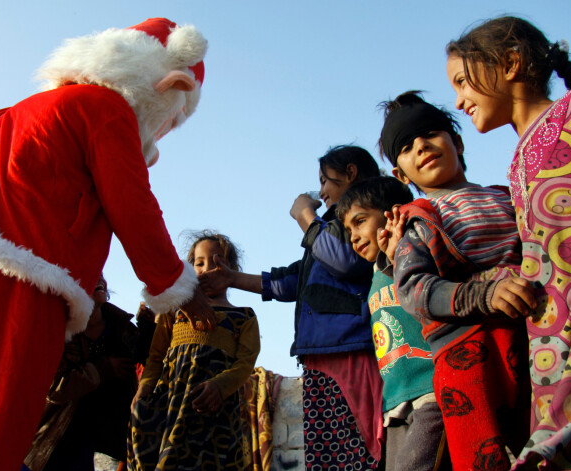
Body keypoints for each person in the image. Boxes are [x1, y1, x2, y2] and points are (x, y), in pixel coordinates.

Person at [0, 18, 216, 471]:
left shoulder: (48, 102)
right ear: (170, 87)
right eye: (171, 120)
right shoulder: (104, 108)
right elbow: (133, 203)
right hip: (21, 272)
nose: (162, 134)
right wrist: (180, 287)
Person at [446, 16, 571, 470]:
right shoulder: (516, 162)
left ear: (511, 63)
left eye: (462, 81)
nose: (459, 100)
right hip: (553, 347)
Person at [199, 145, 384, 469]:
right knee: (328, 456)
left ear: (350, 174)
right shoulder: (327, 231)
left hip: (351, 351)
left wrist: (304, 215)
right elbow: (291, 281)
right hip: (318, 356)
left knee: (364, 450)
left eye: (325, 180)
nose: (321, 190)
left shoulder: (359, 225)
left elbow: (343, 261)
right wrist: (231, 278)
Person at [380, 91, 536, 470]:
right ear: (401, 175)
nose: (421, 145)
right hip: (469, 360)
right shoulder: (418, 220)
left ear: (458, 142)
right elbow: (414, 290)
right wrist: (484, 295)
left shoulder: (510, 196)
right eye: (406, 146)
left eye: (430, 132)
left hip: (534, 340)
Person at [337, 176, 452, 471]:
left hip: (431, 392)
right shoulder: (375, 275)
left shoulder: (410, 256)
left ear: (393, 214)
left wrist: (399, 250)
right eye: (348, 230)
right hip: (397, 405)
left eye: (360, 221)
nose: (353, 236)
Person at [128, 231, 260, 471]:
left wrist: (220, 386)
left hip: (215, 409)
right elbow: (156, 355)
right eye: (199, 263)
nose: (207, 268)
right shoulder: (174, 311)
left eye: (217, 261)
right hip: (171, 404)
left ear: (232, 269)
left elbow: (245, 364)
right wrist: (145, 387)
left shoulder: (245, 317)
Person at [23, 275, 155, 471]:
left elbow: (146, 360)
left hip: (106, 438)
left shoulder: (121, 327)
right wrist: (102, 369)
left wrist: (148, 327)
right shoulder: (60, 329)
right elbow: (56, 389)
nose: (99, 278)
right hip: (56, 438)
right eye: (93, 272)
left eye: (102, 274)